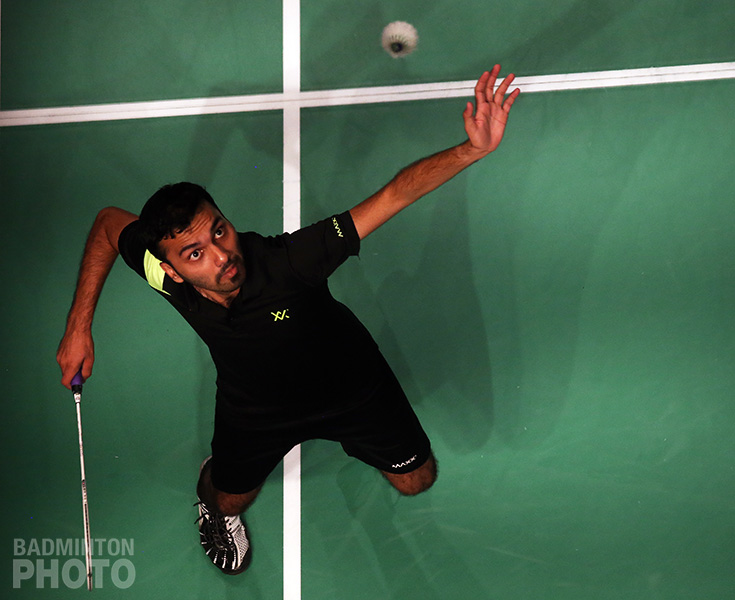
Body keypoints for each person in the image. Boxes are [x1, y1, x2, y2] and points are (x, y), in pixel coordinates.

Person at [56, 65, 520, 575]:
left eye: (219, 230)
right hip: (257, 411)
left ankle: (356, 444)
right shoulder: (166, 281)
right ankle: (213, 498)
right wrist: (79, 327)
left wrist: (471, 149)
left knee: (417, 480)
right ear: (171, 269)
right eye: (195, 253)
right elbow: (108, 225)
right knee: (228, 498)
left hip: (354, 390)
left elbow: (395, 195)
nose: (221, 255)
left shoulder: (291, 262)